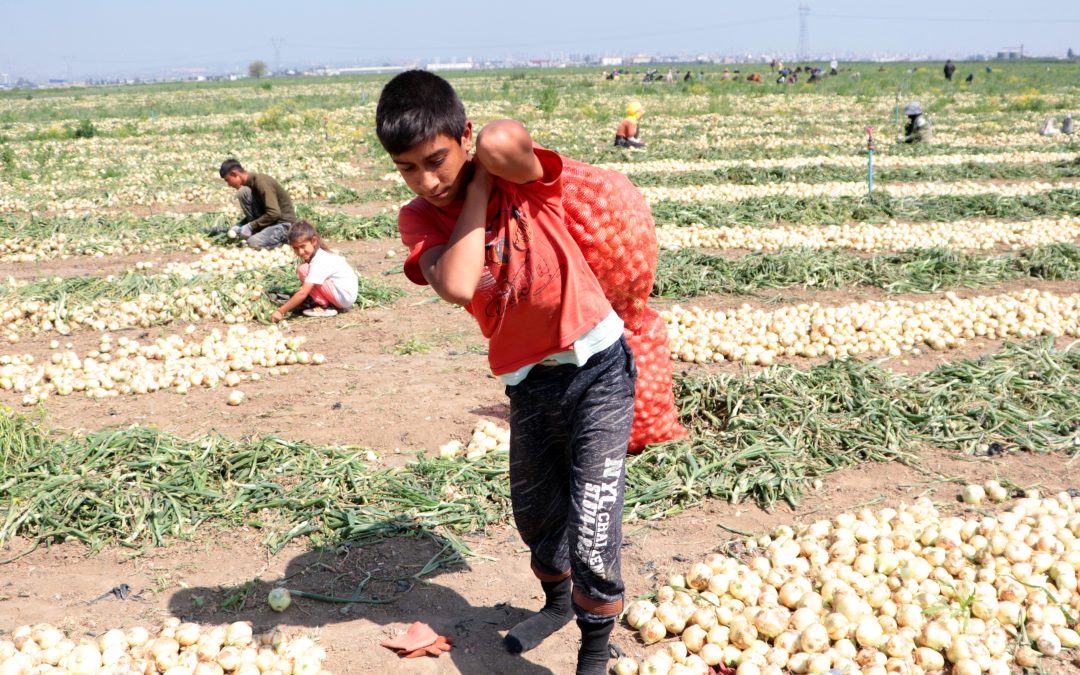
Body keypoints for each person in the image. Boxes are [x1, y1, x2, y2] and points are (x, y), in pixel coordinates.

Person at [375, 70, 636, 675]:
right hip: (528, 383)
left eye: (437, 159)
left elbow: (502, 141)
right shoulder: (419, 220)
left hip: (596, 366)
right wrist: (473, 191)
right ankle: (555, 605)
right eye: (409, 168)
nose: (427, 179)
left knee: (595, 522)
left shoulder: (524, 182)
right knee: (538, 520)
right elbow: (461, 283)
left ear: (462, 136)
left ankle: (593, 653)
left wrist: (488, 166)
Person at [270, 220, 358, 321]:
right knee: (305, 268)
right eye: (295, 248)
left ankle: (325, 306)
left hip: (343, 298)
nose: (300, 252)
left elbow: (303, 293)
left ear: (313, 241)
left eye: (303, 246)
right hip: (345, 296)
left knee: (303, 269)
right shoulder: (321, 255)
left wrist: (281, 311)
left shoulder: (320, 261)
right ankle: (323, 302)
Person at [218, 159, 297, 249]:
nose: (229, 184)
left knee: (253, 242)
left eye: (228, 180)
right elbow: (262, 211)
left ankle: (284, 241)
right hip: (271, 222)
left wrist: (251, 226)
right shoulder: (250, 185)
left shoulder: (261, 182)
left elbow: (274, 213)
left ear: (234, 174)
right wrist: (240, 225)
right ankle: (260, 233)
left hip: (283, 225)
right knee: (243, 192)